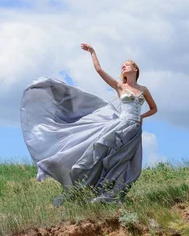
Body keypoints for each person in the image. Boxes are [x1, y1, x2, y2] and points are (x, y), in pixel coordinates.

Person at [20, 44, 157, 206]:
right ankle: (76, 181)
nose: (123, 66)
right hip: (121, 126)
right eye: (123, 65)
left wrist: (142, 116)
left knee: (124, 163)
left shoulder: (143, 89)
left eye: (127, 64)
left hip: (134, 130)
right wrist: (92, 52)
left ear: (135, 69)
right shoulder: (120, 86)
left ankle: (111, 195)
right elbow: (99, 70)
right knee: (101, 153)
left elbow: (154, 108)